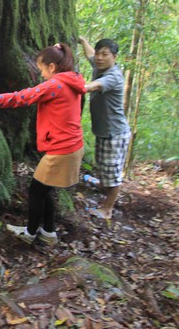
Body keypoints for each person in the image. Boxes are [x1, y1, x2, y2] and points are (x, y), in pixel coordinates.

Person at [0, 43, 86, 245]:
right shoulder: (73, 81)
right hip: (71, 146)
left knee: (36, 190)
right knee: (45, 190)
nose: (41, 74)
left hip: (62, 149)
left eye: (42, 69)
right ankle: (49, 233)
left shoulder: (54, 85)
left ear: (52, 67)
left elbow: (17, 98)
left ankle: (30, 233)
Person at [78, 36, 131, 220]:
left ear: (114, 57)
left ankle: (107, 209)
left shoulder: (113, 76)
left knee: (113, 173)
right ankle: (102, 184)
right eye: (99, 54)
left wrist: (76, 86)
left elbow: (93, 86)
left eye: (105, 54)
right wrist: (83, 40)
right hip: (104, 131)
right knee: (104, 166)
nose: (99, 57)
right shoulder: (99, 65)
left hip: (114, 134)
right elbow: (91, 54)